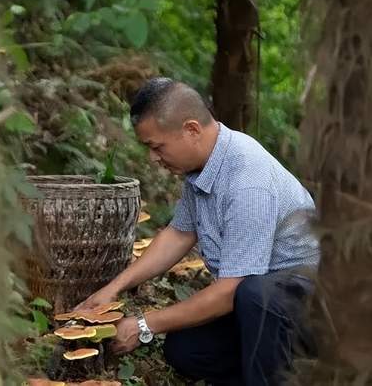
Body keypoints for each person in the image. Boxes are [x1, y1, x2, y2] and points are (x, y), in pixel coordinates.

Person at [76, 77, 320, 385]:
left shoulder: (248, 181)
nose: (153, 158)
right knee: (186, 349)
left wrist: (142, 324)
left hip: (311, 310)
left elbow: (232, 290)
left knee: (254, 295)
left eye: (157, 146)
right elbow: (178, 234)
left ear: (191, 129)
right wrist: (113, 288)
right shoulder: (203, 166)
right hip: (258, 306)